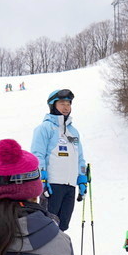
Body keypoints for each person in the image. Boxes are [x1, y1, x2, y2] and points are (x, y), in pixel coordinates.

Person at [30, 88, 88, 231]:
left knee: (63, 226)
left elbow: (79, 157)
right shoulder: (44, 128)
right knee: (47, 226)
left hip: (69, 186)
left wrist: (81, 177)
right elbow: (37, 155)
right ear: (53, 105)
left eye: (68, 103)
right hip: (52, 185)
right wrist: (41, 178)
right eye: (62, 103)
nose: (66, 107)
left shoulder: (73, 132)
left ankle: (58, 252)